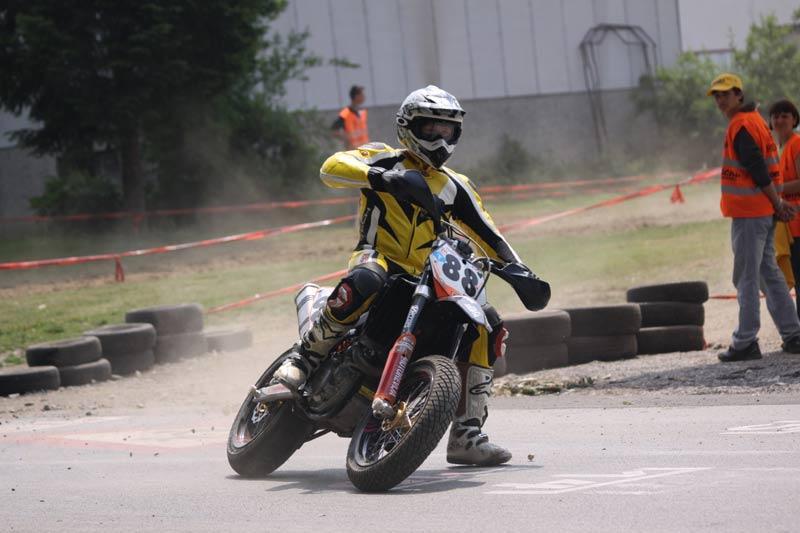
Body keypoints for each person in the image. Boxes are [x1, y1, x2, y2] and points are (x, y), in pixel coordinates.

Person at [276, 85, 535, 466]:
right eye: (430, 128)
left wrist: (522, 272)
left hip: (429, 276)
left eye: (447, 130)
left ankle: (467, 434)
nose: (439, 138)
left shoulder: (457, 186)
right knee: (368, 278)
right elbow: (331, 168)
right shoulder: (383, 157)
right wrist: (382, 178)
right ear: (408, 126)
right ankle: (305, 358)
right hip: (377, 257)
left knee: (487, 325)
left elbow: (491, 235)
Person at [708, 73, 800, 362]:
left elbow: (758, 170)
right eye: (717, 95)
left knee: (746, 277)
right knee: (768, 273)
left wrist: (777, 202)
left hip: (750, 213)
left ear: (739, 94)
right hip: (761, 212)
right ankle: (793, 334)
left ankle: (746, 340)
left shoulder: (741, 125)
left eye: (726, 94)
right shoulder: (756, 120)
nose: (721, 100)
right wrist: (776, 204)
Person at [770, 98, 800, 315]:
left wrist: (773, 190)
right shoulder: (778, 149)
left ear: (794, 120)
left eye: (785, 116)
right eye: (776, 116)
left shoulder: (797, 144)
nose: (780, 120)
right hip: (787, 225)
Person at [331, 85, 369, 150]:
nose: (364, 96)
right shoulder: (345, 112)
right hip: (353, 151)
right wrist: (346, 139)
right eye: (361, 94)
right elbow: (334, 131)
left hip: (365, 150)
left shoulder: (362, 112)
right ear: (356, 97)